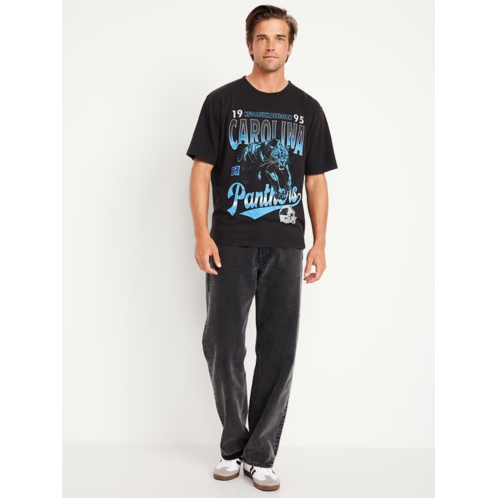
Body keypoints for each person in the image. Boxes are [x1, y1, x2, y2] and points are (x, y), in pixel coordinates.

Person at [187, 4, 338, 492]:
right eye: (262, 37)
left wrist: (320, 242)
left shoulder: (308, 109)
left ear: (290, 47)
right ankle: (233, 444)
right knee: (222, 344)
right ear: (249, 43)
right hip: (229, 242)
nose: (271, 45)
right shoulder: (222, 101)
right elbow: (201, 171)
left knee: (278, 348)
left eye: (279, 38)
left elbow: (315, 181)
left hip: (286, 245)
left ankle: (261, 454)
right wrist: (201, 233)